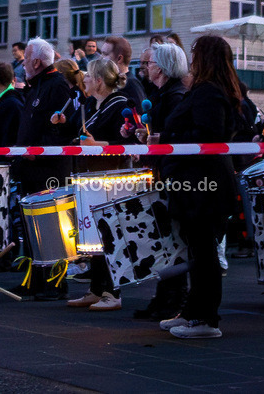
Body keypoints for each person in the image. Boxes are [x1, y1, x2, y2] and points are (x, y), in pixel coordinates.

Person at [157, 35, 241, 339]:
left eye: (195, 53)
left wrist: (173, 140)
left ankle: (206, 318)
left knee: (204, 253)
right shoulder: (209, 90)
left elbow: (208, 135)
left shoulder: (208, 92)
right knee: (198, 250)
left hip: (203, 185)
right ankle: (194, 311)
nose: (191, 58)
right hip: (199, 183)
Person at [56, 58, 133, 311]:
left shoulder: (119, 104)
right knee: (95, 236)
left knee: (109, 234)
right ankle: (97, 289)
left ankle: (113, 291)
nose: (84, 80)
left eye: (88, 76)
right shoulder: (92, 104)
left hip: (110, 178)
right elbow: (78, 135)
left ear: (99, 81)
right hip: (91, 177)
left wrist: (97, 145)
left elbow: (127, 143)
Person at [128, 42, 190, 321]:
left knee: (172, 238)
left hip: (172, 173)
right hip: (162, 170)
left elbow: (176, 135)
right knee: (164, 237)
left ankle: (175, 298)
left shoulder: (175, 96)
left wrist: (156, 138)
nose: (146, 67)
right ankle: (164, 296)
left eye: (150, 63)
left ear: (163, 67)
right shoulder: (162, 94)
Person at [15, 38, 75, 300]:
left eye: (26, 59)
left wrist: (38, 149)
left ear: (37, 62)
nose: (23, 63)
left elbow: (63, 128)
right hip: (30, 168)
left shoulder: (57, 86)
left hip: (49, 168)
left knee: (51, 227)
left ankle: (55, 283)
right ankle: (33, 280)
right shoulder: (36, 86)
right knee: (31, 227)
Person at [101, 35, 146, 109]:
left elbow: (139, 113)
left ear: (119, 58)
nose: (101, 58)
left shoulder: (131, 84)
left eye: (105, 54)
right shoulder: (115, 82)